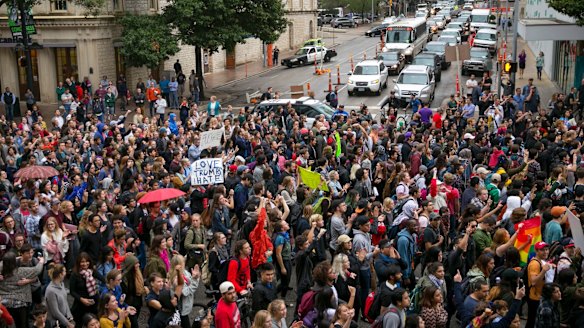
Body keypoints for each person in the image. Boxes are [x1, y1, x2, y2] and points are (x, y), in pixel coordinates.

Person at [0, 251, 44, 328]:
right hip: (21, 303)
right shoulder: (22, 271)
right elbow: (37, 270)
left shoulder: (1, 271)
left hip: (4, 303)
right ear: (14, 262)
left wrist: (10, 259)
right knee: (22, 325)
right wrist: (41, 261)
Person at [527, 242, 555, 328]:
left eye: (546, 249)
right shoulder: (535, 264)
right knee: (532, 322)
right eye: (542, 250)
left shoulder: (540, 261)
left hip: (539, 296)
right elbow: (533, 281)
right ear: (536, 251)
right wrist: (544, 271)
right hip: (535, 298)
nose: (545, 252)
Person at [70, 252, 101, 327]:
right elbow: (72, 291)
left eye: (87, 261)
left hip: (93, 304)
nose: (85, 264)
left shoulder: (92, 271)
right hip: (80, 305)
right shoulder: (75, 274)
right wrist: (82, 299)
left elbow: (102, 278)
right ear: (79, 263)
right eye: (82, 262)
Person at [44, 263, 74, 328]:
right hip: (56, 323)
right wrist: (68, 323)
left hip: (64, 320)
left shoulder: (61, 284)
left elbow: (65, 302)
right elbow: (55, 312)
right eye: (65, 271)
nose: (66, 273)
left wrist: (69, 316)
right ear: (60, 274)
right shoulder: (50, 291)